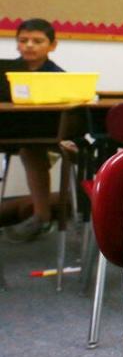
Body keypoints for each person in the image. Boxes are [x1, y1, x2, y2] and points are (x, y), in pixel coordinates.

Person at [3, 18, 65, 243]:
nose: (29, 45)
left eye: (37, 41)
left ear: (52, 45)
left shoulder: (59, 76)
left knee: (31, 152)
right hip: (9, 133)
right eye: (23, 40)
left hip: (45, 136)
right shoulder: (5, 71)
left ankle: (42, 216)